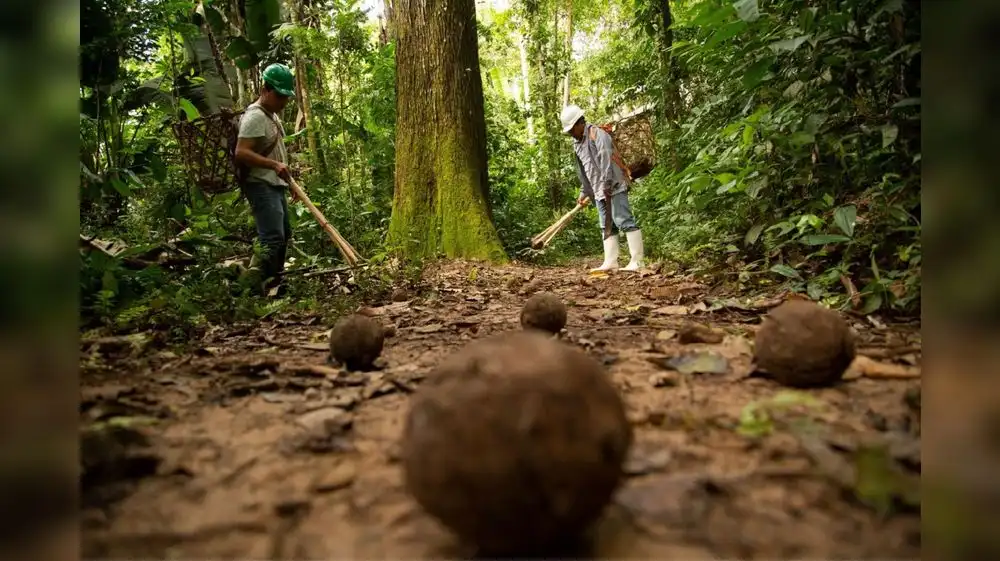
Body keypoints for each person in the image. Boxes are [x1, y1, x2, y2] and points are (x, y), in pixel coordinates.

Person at [235, 63, 297, 295]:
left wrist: (288, 182)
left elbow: (276, 153)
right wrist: (273, 166)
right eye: (280, 96)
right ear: (266, 90)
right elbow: (241, 152)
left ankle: (272, 283)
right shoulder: (255, 116)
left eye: (286, 97)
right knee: (271, 237)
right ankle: (248, 290)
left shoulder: (272, 115)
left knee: (283, 234)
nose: (284, 102)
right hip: (260, 183)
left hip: (274, 183)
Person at [560, 104, 644, 272]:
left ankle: (637, 261)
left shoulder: (597, 134)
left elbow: (606, 157)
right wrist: (585, 191)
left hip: (613, 184)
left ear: (579, 123)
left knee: (623, 219)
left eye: (571, 129)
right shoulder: (577, 144)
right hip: (598, 191)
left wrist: (607, 182)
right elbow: (584, 170)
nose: (570, 133)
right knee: (606, 225)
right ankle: (610, 261)